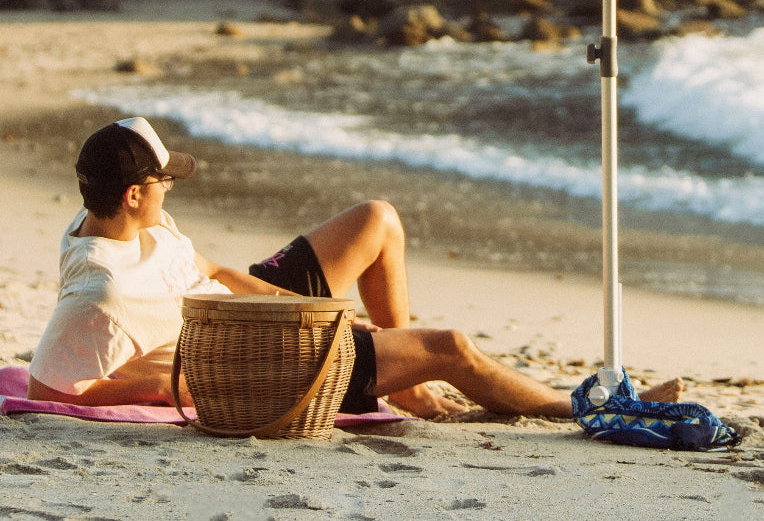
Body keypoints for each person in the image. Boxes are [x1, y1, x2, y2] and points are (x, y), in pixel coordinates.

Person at [28, 118, 680, 419]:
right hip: (256, 356)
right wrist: (165, 383)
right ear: (133, 194)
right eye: (163, 181)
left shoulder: (125, 218)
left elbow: (213, 267)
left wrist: (296, 304)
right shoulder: (100, 291)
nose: (173, 188)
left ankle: (402, 383)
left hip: (251, 306)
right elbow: (48, 391)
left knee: (377, 219)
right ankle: (588, 406)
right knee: (452, 347)